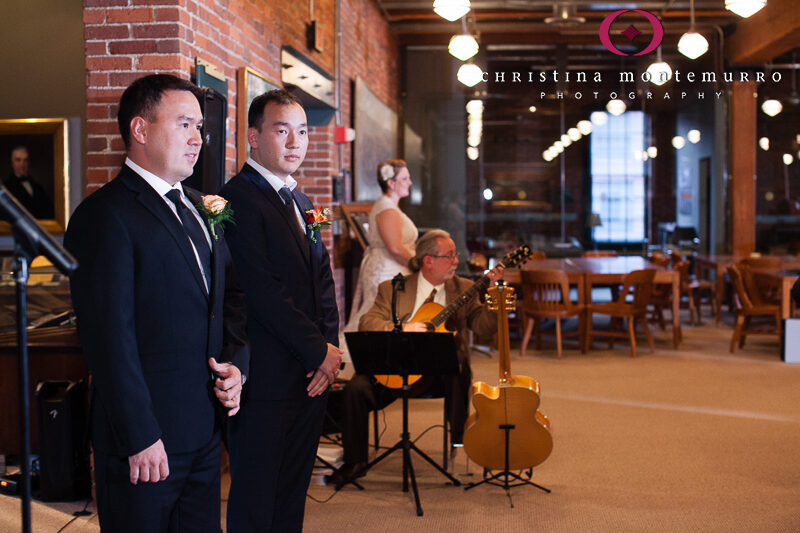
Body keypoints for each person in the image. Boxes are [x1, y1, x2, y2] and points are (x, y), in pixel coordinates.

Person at [64, 74, 249, 532]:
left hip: (204, 432)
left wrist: (237, 366)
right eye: (184, 124)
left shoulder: (198, 207)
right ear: (140, 129)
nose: (197, 138)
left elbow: (231, 302)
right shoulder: (104, 214)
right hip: (146, 443)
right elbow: (109, 339)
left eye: (200, 127)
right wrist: (140, 435)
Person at [219, 89, 342, 533]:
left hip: (311, 374)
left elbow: (322, 284)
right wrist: (319, 352)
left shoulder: (303, 203)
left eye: (303, 131)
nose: (295, 142)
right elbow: (262, 291)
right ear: (253, 137)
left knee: (292, 492)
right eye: (282, 130)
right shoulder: (237, 200)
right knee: (257, 495)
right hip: (267, 375)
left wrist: (330, 348)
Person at [327, 229, 502, 487]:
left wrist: (494, 297)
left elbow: (485, 329)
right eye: (450, 256)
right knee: (355, 388)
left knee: (459, 364)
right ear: (428, 260)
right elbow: (369, 321)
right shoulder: (394, 288)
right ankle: (355, 461)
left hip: (439, 375)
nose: (456, 261)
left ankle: (458, 436)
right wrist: (402, 328)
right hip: (395, 370)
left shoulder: (464, 289)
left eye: (456, 255)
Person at [343, 159, 417, 333]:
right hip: (386, 270)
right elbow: (395, 248)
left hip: (394, 268)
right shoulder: (386, 209)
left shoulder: (391, 206)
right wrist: (417, 266)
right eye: (405, 179)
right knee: (377, 318)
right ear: (391, 183)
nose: (410, 182)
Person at [4, 145, 54, 218]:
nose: (22, 164)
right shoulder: (7, 187)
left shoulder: (37, 186)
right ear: (12, 163)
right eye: (18, 160)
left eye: (25, 160)